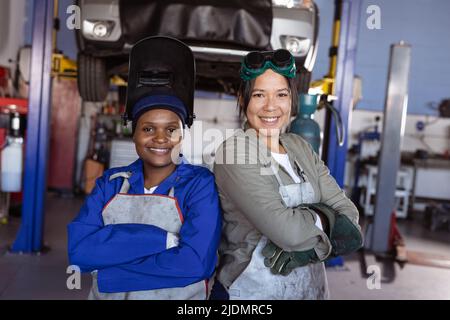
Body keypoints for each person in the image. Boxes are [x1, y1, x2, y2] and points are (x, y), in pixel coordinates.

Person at [67, 36, 221, 300]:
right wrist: (165, 241)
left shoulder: (199, 184)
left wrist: (111, 275)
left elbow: (195, 264)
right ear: (134, 133)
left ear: (181, 135)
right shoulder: (111, 183)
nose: (160, 138)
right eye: (148, 128)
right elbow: (80, 252)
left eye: (170, 129)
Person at [212, 49, 363, 300]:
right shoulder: (235, 152)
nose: (271, 106)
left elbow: (350, 215)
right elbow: (288, 233)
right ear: (243, 98)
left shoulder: (299, 146)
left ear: (292, 98)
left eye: (281, 94)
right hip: (250, 293)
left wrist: (305, 232)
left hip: (311, 291)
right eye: (259, 95)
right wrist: (326, 220)